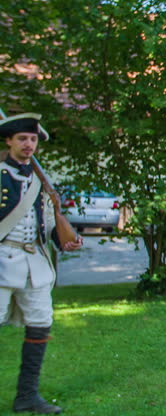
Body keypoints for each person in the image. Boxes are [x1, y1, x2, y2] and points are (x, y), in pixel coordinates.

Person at [0, 113, 83, 414]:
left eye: (33, 139)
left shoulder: (40, 183)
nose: (28, 144)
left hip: (34, 264)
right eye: (22, 138)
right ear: (9, 140)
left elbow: (46, 224)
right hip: (1, 261)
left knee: (40, 324)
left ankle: (27, 396)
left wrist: (64, 240)